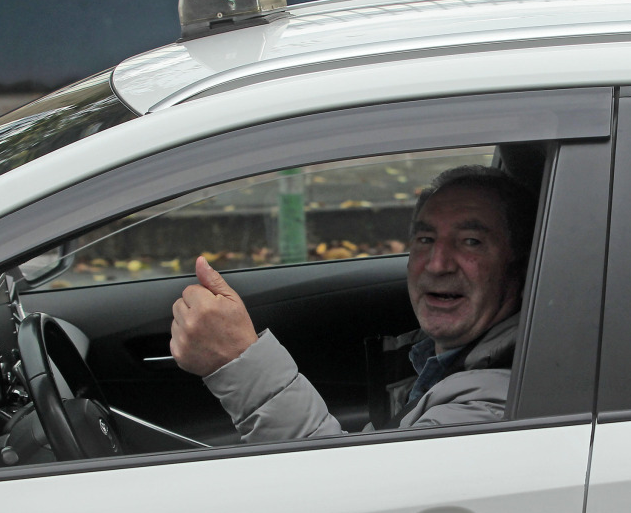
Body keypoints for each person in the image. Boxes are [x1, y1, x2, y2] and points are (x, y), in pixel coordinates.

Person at [169, 165, 537, 443]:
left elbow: (347, 496)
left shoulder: (496, 404)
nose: (438, 263)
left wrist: (238, 363)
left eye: (470, 242)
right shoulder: (441, 360)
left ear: (518, 266)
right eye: (425, 239)